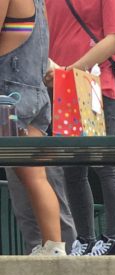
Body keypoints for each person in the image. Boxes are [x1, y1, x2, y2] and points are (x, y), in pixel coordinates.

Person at [44, 0, 115, 255]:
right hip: (63, 88)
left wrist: (71, 70)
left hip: (98, 85)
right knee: (73, 169)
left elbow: (114, 39)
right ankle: (84, 239)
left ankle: (113, 240)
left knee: (105, 164)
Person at [0, 0, 66, 255]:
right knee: (37, 178)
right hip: (35, 97)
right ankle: (54, 248)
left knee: (34, 177)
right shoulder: (39, 3)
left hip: (7, 100)